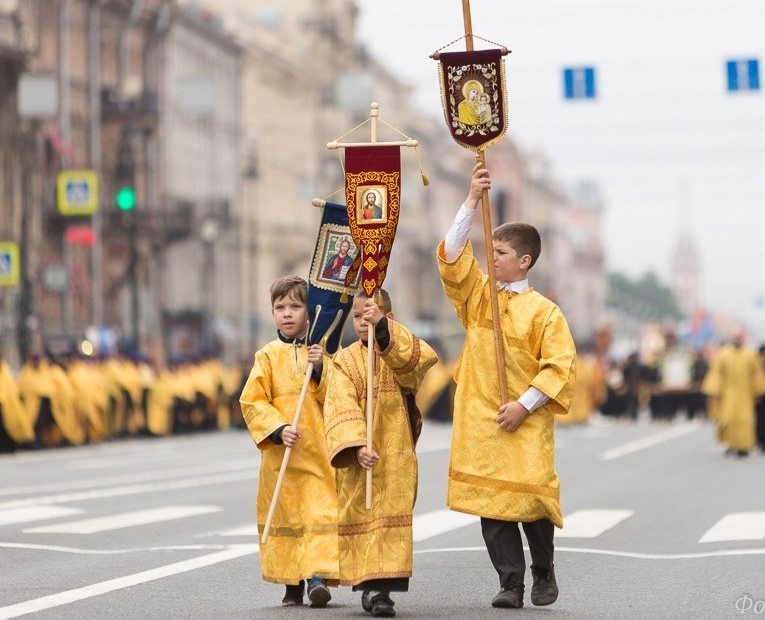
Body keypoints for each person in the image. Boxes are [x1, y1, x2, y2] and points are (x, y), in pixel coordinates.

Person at [437, 162, 576, 609]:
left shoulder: (545, 313)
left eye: (498, 251)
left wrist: (524, 405)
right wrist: (472, 200)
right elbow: (453, 255)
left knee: (531, 501)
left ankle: (543, 571)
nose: (489, 256)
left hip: (526, 420)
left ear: (524, 260)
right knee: (493, 507)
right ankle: (510, 584)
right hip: (481, 418)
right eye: (490, 249)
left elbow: (559, 368)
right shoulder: (479, 296)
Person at [324, 289, 437, 618]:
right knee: (364, 513)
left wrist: (385, 333)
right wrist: (357, 447)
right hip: (361, 455)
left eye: (368, 315)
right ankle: (368, 585)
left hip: (395, 452)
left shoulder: (396, 351)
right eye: (357, 316)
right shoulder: (343, 360)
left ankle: (382, 590)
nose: (361, 322)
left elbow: (419, 362)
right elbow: (338, 406)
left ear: (387, 316)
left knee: (391, 517)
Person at [239, 275, 340, 606]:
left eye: (295, 306)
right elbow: (252, 401)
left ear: (308, 312)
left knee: (319, 513)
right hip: (281, 456)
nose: (287, 313)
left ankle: (316, 577)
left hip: (317, 453)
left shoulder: (322, 353)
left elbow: (339, 396)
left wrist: (321, 369)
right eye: (280, 307)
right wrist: (279, 428)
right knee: (287, 517)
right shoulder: (266, 356)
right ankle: (292, 582)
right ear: (272, 313)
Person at [703, 331, 765, 457]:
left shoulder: (750, 355)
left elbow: (757, 373)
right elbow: (716, 373)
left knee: (744, 421)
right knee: (727, 419)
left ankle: (743, 448)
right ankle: (730, 444)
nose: (737, 340)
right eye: (735, 338)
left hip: (745, 394)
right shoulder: (723, 355)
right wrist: (715, 391)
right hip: (727, 394)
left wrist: (758, 391)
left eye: (739, 338)